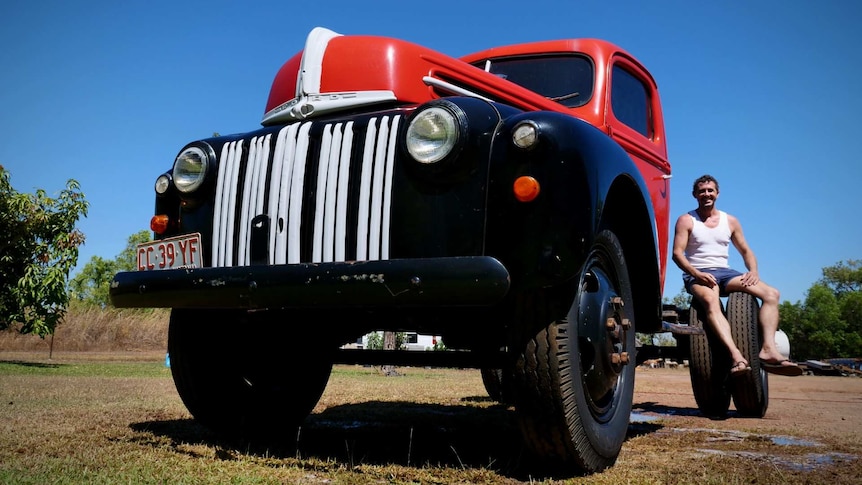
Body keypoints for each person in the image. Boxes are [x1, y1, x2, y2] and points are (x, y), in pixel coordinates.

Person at [672, 174, 802, 377]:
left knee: (771, 294)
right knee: (711, 301)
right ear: (694, 195)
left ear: (717, 193)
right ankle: (736, 357)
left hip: (726, 273)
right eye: (702, 191)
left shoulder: (730, 221)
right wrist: (696, 274)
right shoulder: (686, 220)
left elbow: (746, 251)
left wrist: (753, 271)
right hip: (698, 274)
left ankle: (768, 349)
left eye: (710, 190)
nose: (706, 194)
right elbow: (677, 254)